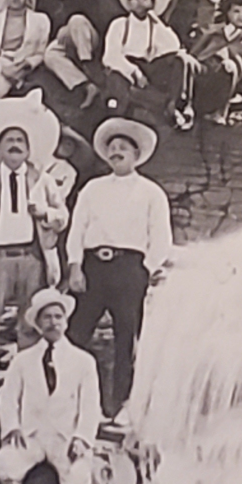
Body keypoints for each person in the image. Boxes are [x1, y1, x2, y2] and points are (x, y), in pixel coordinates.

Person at [62, 115, 174, 411]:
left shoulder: (152, 192)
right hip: (92, 268)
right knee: (74, 334)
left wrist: (144, 270)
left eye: (124, 147)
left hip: (130, 269)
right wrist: (75, 266)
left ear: (137, 156)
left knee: (127, 339)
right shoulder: (92, 188)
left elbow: (161, 238)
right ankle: (67, 398)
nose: (116, 152)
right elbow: (77, 229)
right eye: (112, 147)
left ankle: (120, 405)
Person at [0, 284, 103, 484]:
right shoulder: (23, 360)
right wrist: (12, 428)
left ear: (66, 321)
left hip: (65, 437)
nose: (53, 322)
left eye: (58, 317)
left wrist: (82, 439)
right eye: (47, 317)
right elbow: (8, 397)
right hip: (32, 434)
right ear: (38, 324)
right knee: (7, 460)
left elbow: (91, 405)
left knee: (78, 472)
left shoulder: (83, 361)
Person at [0, 114, 72, 328]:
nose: (15, 145)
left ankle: (28, 360)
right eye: (9, 141)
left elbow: (62, 216)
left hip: (32, 260)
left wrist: (45, 213)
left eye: (20, 141)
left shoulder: (42, 180)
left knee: (32, 321)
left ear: (28, 150)